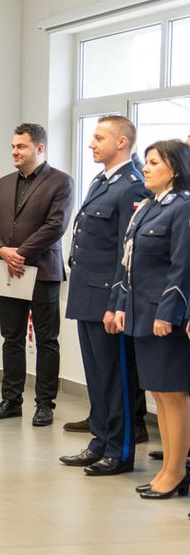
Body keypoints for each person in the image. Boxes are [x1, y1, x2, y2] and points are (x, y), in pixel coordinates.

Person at [59, 116, 150, 476]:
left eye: (99, 138)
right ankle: (100, 440)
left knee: (117, 379)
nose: (91, 144)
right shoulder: (102, 180)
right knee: (97, 376)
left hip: (108, 299)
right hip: (86, 295)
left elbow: (125, 254)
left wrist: (118, 302)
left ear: (122, 142)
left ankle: (120, 450)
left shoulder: (132, 185)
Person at [108, 139, 190, 499]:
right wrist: (122, 305)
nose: (147, 168)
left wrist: (167, 314)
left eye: (155, 163)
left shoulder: (182, 207)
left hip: (163, 319)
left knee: (174, 396)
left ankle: (175, 472)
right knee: (159, 394)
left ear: (174, 168)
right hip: (142, 315)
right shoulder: (146, 208)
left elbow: (181, 268)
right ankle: (168, 468)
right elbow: (130, 262)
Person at [0, 123, 75, 426]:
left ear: (39, 148)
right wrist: (2, 251)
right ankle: (11, 400)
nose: (15, 151)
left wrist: (20, 252)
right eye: (13, 146)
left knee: (47, 339)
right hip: (7, 271)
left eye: (21, 146)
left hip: (42, 271)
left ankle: (45, 403)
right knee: (12, 338)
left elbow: (56, 226)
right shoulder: (3, 183)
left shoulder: (61, 182)